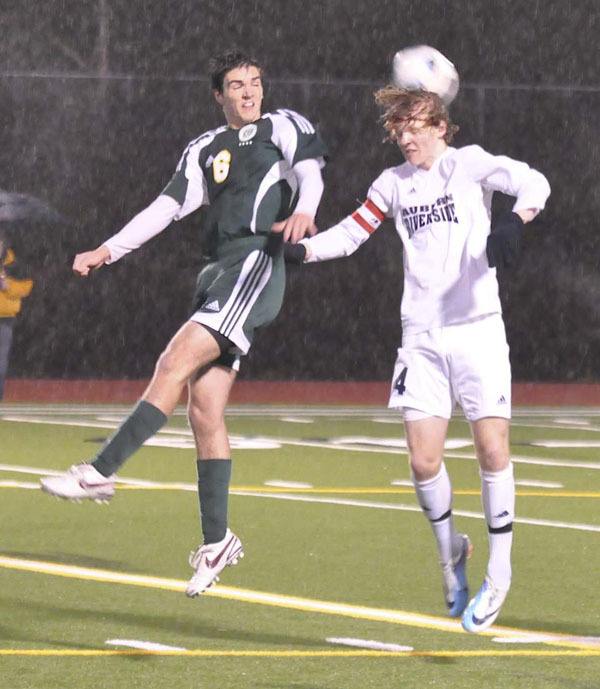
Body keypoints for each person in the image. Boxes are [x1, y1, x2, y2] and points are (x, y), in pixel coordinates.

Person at [40, 50, 327, 597]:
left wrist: (307, 208)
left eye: (256, 82)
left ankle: (100, 471)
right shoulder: (204, 148)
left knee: (172, 363)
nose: (250, 92)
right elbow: (166, 207)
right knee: (204, 411)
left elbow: (310, 173)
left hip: (254, 262)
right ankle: (216, 541)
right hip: (216, 271)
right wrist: (109, 249)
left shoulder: (283, 126)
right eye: (237, 85)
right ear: (218, 95)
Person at [289, 86, 550, 633]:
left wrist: (513, 221)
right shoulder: (392, 183)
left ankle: (499, 575)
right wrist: (303, 250)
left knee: (491, 447)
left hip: (478, 329)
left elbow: (534, 182)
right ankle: (450, 554)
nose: (405, 137)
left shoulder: (469, 164)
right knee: (423, 462)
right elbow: (353, 233)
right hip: (422, 339)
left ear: (440, 126)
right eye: (398, 129)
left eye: (414, 126)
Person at [0, 233, 34, 400]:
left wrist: (7, 286)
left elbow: (26, 287)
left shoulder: (15, 265)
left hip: (4, 319)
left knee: (1, 363)